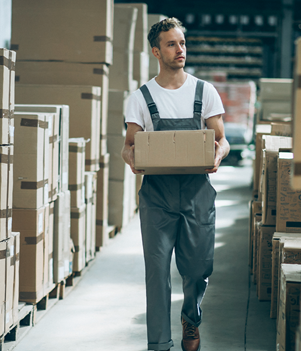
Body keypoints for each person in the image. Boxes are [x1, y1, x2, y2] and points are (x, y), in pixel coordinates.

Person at [122, 17, 230, 351]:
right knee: (156, 272)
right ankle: (159, 344)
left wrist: (218, 156)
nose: (180, 49)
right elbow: (129, 146)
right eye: (171, 44)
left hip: (197, 192)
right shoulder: (140, 98)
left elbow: (222, 141)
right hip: (157, 195)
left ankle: (190, 317)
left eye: (182, 43)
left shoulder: (204, 91)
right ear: (156, 51)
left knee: (198, 269)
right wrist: (133, 161)